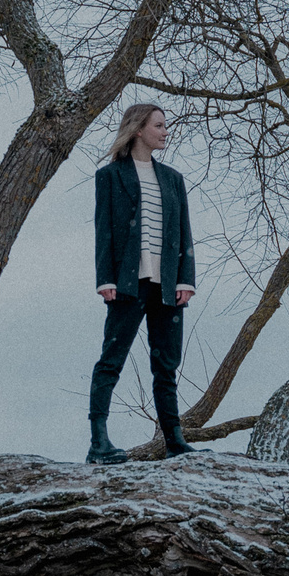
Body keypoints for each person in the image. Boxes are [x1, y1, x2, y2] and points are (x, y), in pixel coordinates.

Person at [86, 103, 201, 464]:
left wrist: (187, 280)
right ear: (138, 130)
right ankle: (98, 442)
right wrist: (104, 279)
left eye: (165, 126)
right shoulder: (109, 176)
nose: (165, 132)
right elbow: (103, 231)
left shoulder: (173, 179)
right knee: (111, 359)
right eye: (159, 125)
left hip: (167, 284)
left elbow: (184, 232)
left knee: (166, 365)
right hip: (126, 283)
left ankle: (174, 440)